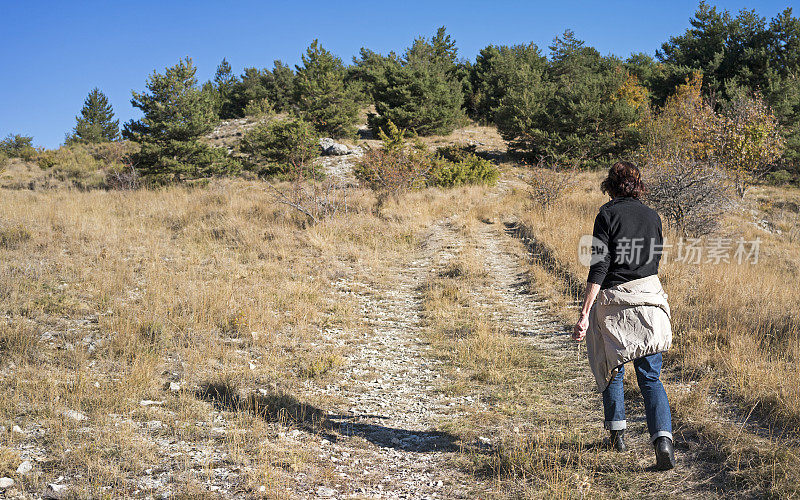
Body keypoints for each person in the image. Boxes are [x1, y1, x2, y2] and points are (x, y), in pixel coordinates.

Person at [572, 161, 676, 471]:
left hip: (615, 302)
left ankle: (617, 434)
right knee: (651, 378)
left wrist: (585, 312)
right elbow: (653, 260)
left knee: (611, 367)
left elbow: (600, 266)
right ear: (638, 184)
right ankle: (663, 441)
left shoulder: (606, 215)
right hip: (650, 299)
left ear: (610, 185)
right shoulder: (653, 216)